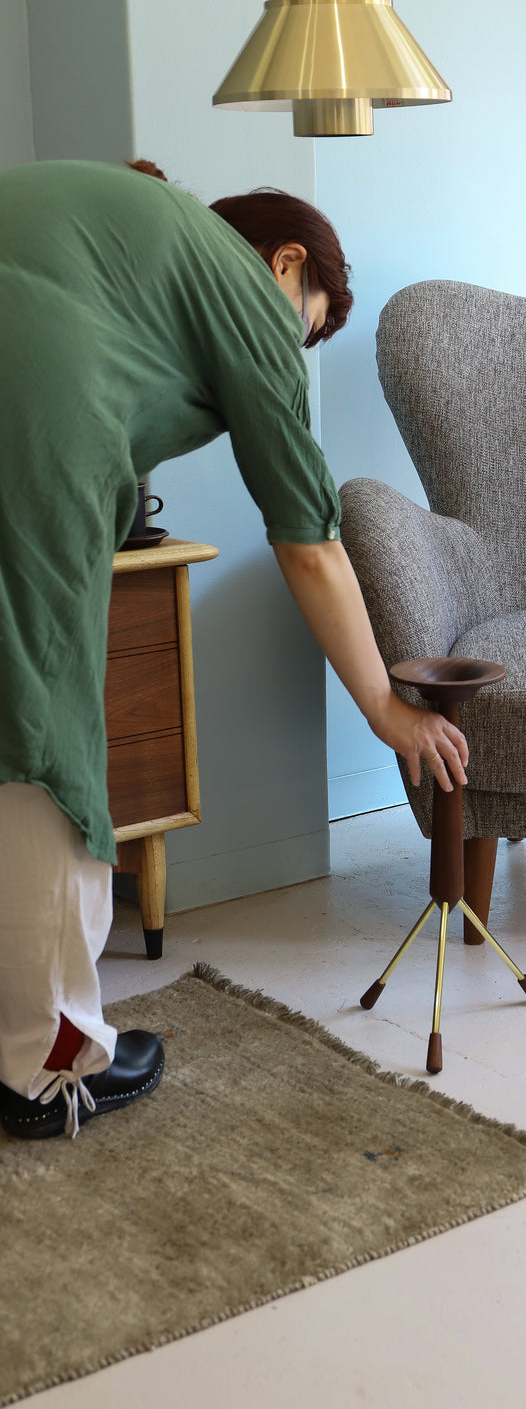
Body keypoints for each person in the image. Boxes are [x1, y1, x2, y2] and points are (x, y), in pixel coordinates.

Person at [0, 157, 468, 1140]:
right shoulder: (239, 286)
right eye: (312, 322)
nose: (296, 349)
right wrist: (384, 702)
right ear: (286, 262)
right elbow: (310, 540)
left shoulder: (131, 219)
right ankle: (42, 1065)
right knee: (42, 732)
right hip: (23, 415)